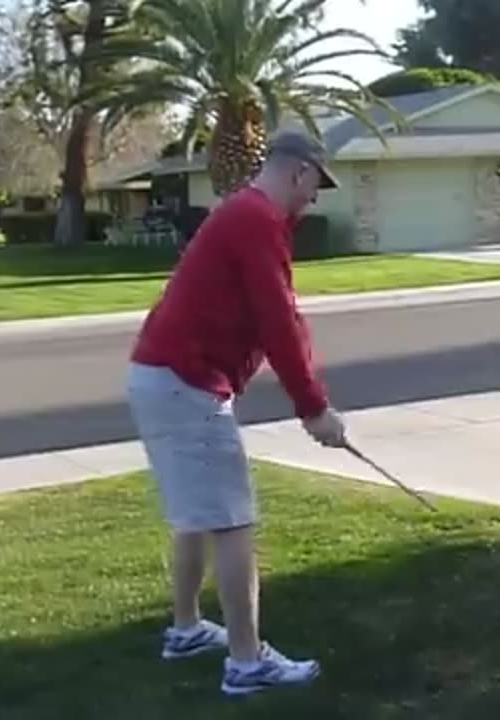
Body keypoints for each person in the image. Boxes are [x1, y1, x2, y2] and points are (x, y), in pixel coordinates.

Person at [125, 130, 347, 697]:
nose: (315, 198)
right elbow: (278, 324)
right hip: (186, 383)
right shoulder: (255, 221)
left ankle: (186, 629)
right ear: (297, 172)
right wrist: (315, 409)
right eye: (315, 184)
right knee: (232, 522)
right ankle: (247, 664)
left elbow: (277, 320)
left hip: (161, 376)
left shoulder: (243, 215)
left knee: (196, 516)